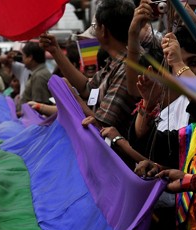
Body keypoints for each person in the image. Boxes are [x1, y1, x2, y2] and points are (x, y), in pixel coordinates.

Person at [40, 0, 139, 136]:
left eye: (94, 25)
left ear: (103, 30)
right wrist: (55, 51)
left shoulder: (127, 69)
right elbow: (87, 88)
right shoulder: (113, 62)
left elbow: (101, 125)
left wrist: (72, 96)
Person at [20, 41, 52, 106]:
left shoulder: (39, 76)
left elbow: (39, 105)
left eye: (23, 56)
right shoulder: (38, 73)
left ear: (30, 57)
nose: (22, 59)